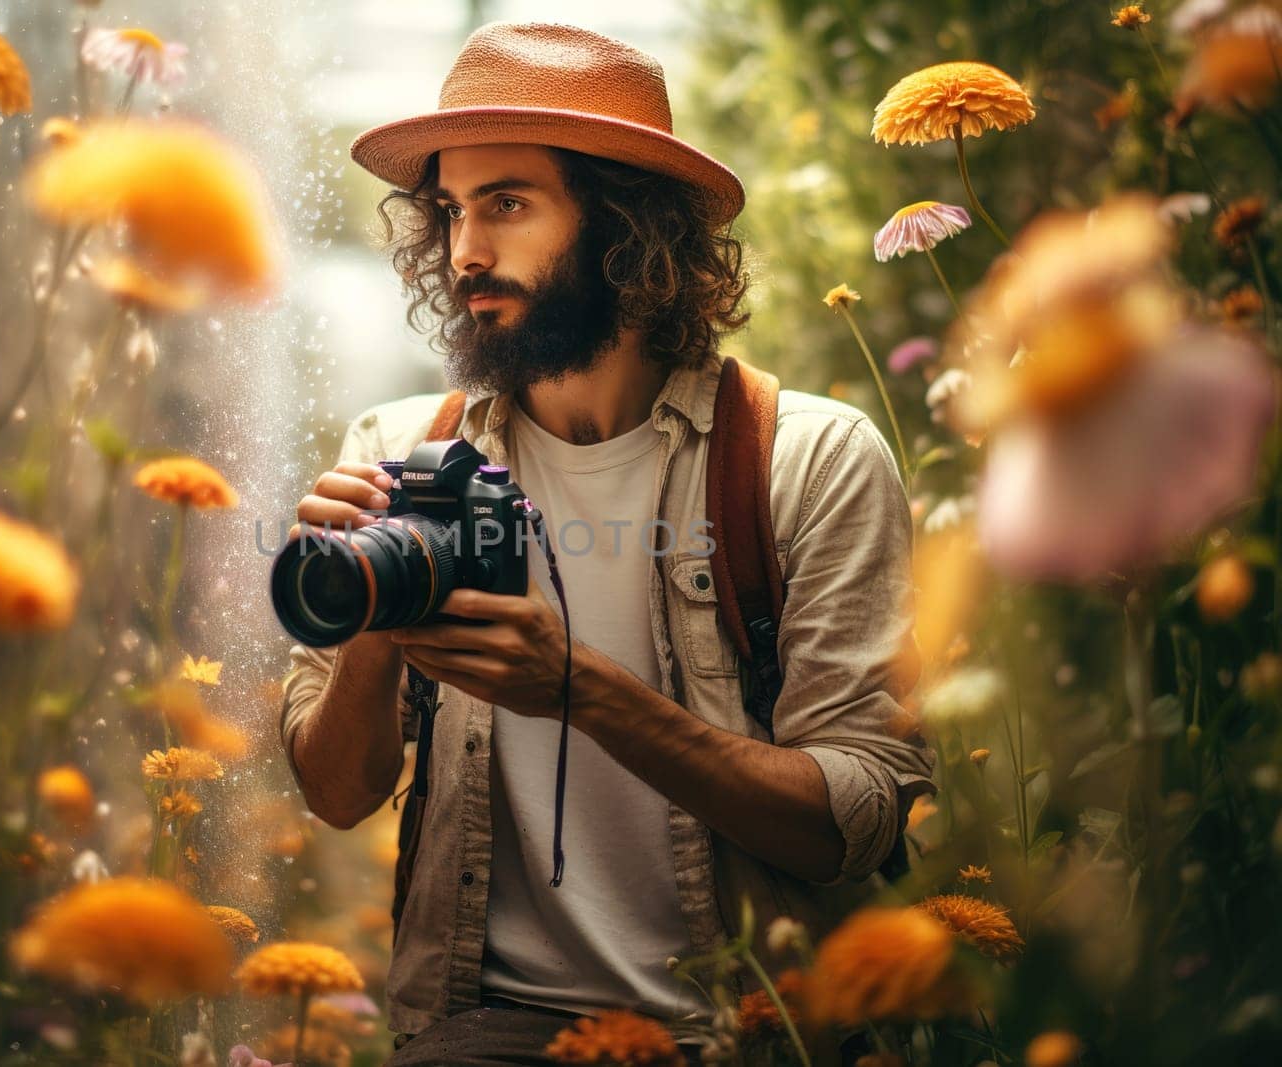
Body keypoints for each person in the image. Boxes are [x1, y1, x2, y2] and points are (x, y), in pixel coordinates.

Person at [278, 21, 935, 1066]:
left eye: (506, 203)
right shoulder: (402, 451)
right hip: (478, 1022)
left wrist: (580, 689)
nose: (463, 252)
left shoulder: (804, 458)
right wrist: (375, 606)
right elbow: (336, 791)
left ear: (629, 223)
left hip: (749, 1022)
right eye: (448, 209)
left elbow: (852, 818)